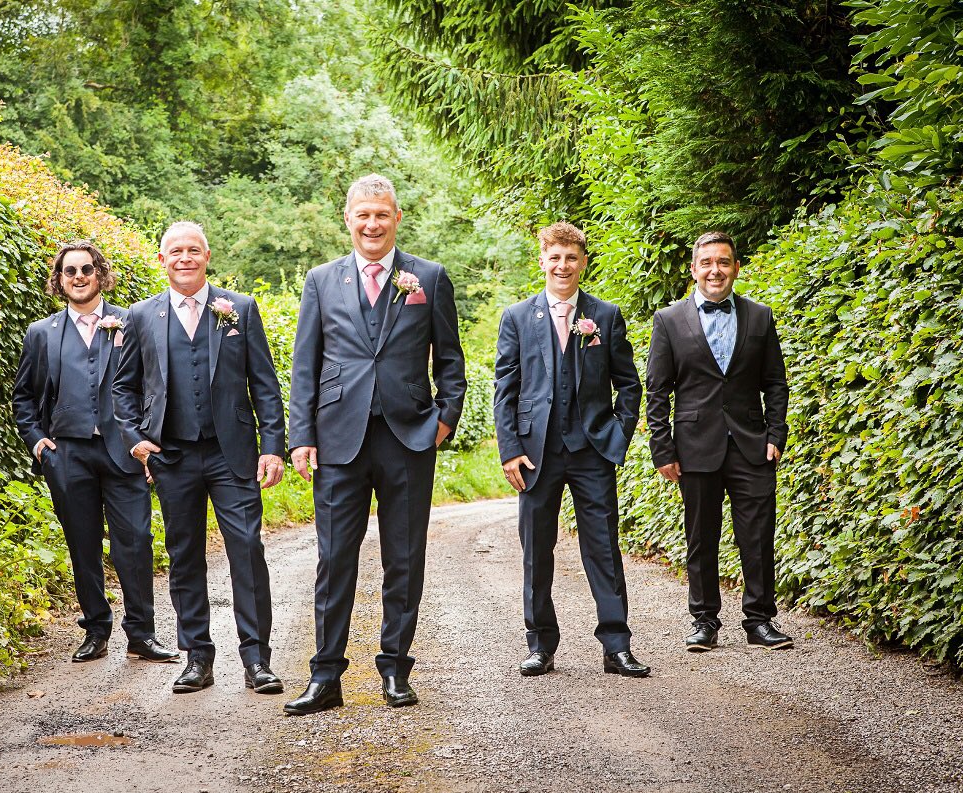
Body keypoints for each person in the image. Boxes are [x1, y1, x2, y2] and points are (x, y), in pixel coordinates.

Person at [283, 174, 467, 715]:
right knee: (334, 558)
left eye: (381, 215)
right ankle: (325, 676)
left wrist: (445, 420)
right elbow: (305, 366)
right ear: (348, 219)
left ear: (397, 218)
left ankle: (394, 670)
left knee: (404, 558)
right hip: (338, 439)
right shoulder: (321, 281)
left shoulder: (428, 277)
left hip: (409, 438)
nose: (372, 224)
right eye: (363, 215)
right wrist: (301, 437)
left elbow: (450, 361)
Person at [111, 221, 288, 694]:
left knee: (247, 550)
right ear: (162, 259)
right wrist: (135, 437)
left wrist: (273, 446)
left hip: (232, 453)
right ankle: (197, 658)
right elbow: (122, 387)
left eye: (193, 250)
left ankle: (256, 659)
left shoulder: (240, 309)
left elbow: (265, 386)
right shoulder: (141, 316)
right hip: (172, 457)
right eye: (175, 251)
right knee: (184, 554)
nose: (184, 258)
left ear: (207, 255)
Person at [493, 221, 649, 679]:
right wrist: (509, 450)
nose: (563, 266)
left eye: (571, 258)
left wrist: (616, 435)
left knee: (603, 547)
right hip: (535, 453)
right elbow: (505, 389)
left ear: (583, 262)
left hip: (591, 451)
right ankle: (540, 645)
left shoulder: (606, 315)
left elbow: (628, 383)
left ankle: (616, 646)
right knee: (536, 550)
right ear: (542, 261)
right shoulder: (518, 318)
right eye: (554, 257)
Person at [12, 240, 178, 664]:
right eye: (70, 271)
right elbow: (24, 399)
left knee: (135, 542)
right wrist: (37, 442)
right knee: (82, 544)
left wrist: (148, 442)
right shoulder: (41, 334)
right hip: (66, 455)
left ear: (100, 275)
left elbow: (155, 387)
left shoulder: (133, 322)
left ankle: (142, 633)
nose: (79, 277)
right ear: (60, 280)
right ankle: (95, 629)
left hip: (124, 454)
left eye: (87, 269)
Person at [645, 231, 792, 652]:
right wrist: (663, 449)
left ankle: (760, 621)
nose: (715, 270)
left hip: (752, 444)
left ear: (736, 267)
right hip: (694, 445)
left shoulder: (760, 316)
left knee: (758, 536)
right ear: (694, 269)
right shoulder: (669, 320)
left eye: (723, 262)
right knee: (700, 536)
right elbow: (657, 390)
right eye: (707, 263)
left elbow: (775, 383)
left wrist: (775, 435)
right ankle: (704, 621)